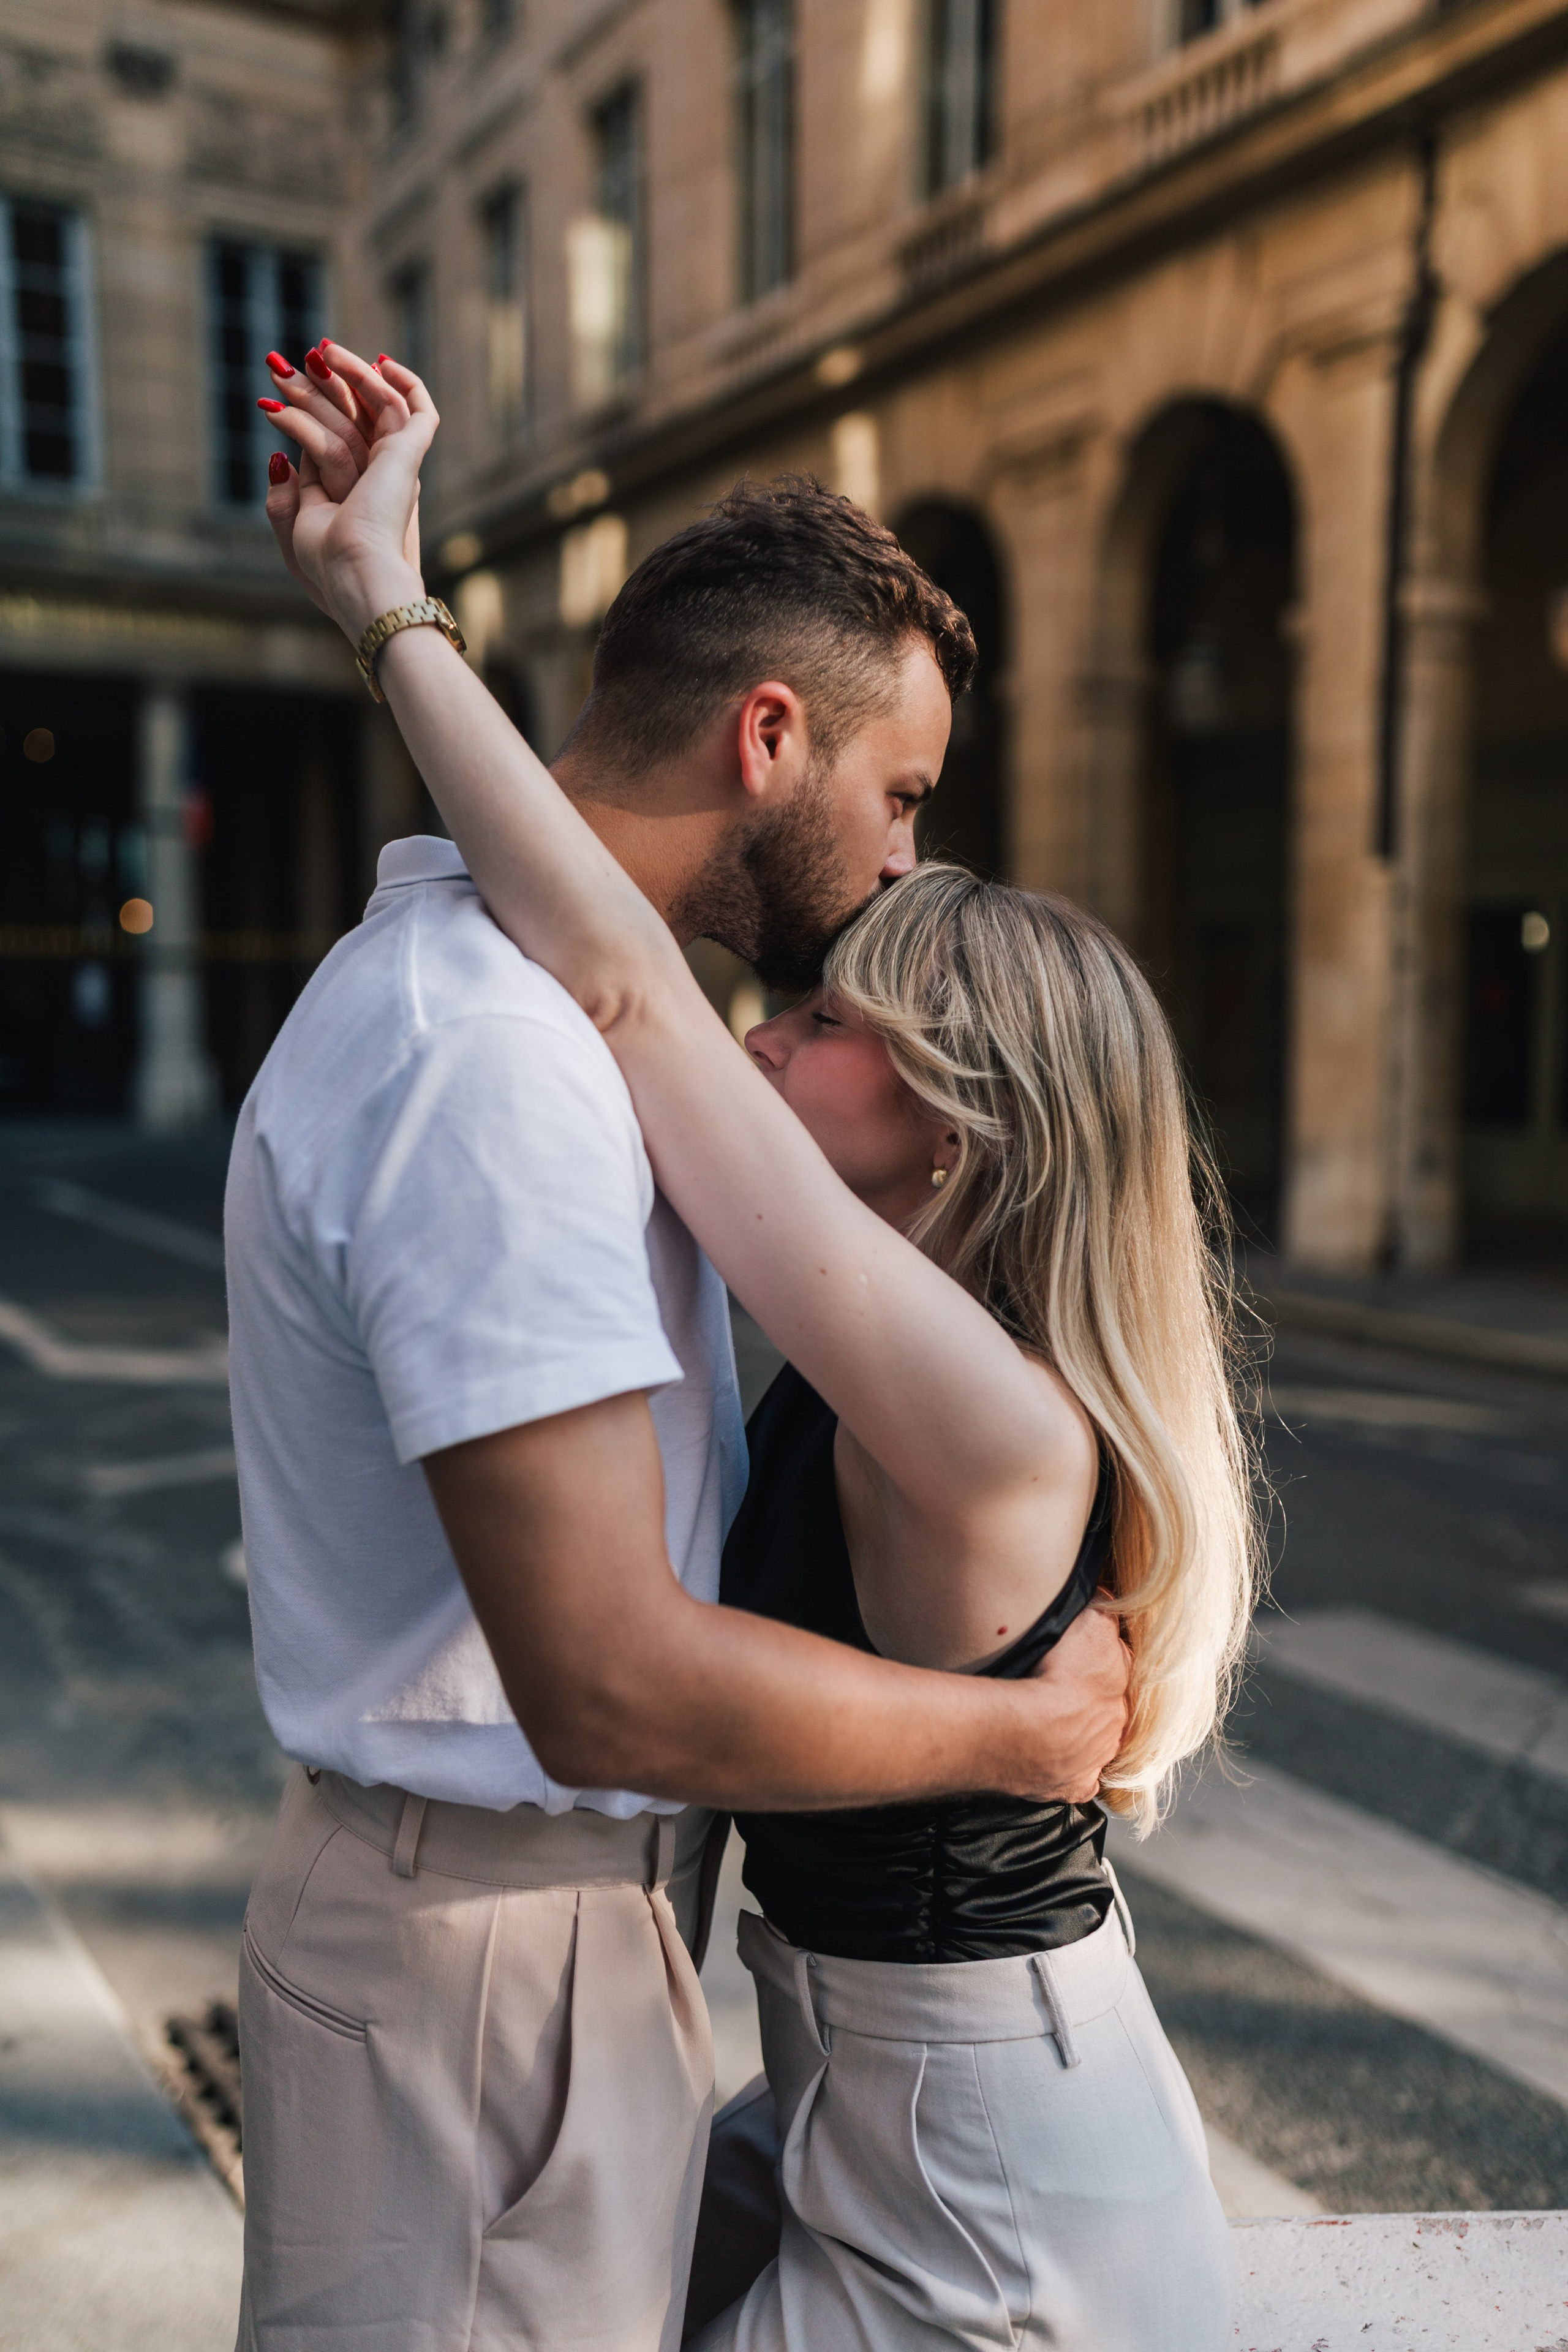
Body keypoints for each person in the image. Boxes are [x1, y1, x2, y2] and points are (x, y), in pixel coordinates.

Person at [261, 345, 1256, 2350]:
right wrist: (381, 602)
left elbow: (628, 989)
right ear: (774, 732)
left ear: (969, 1115)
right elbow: (620, 983)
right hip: (842, 2098)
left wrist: (390, 611)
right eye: (903, 798)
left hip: (982, 2169)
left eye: (833, 1022)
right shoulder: (843, 1310)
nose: (774, 1032)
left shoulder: (981, 1411)